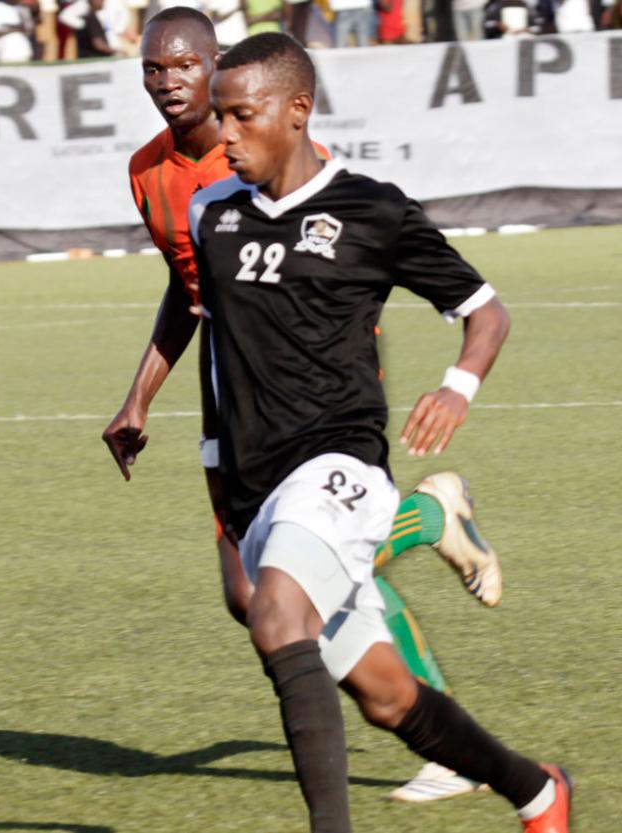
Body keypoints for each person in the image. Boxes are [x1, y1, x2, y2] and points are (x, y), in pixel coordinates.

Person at [103, 6, 501, 803]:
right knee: (250, 593)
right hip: (231, 390)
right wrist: (138, 397)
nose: (169, 82)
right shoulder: (152, 173)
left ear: (219, 65)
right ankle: (430, 521)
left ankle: (444, 738)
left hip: (318, 390)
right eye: (153, 68)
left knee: (296, 576)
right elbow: (190, 291)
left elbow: (351, 247)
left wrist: (450, 380)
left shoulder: (272, 148)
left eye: (184, 66)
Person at [188, 30, 572, 833]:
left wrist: (457, 386)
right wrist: (216, 472)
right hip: (257, 490)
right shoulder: (211, 214)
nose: (224, 134)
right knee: (388, 697)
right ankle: (539, 793)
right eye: (219, 116)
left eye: (242, 115)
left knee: (276, 617)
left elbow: (485, 312)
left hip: (340, 466)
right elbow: (214, 347)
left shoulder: (372, 209)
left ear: (298, 110)